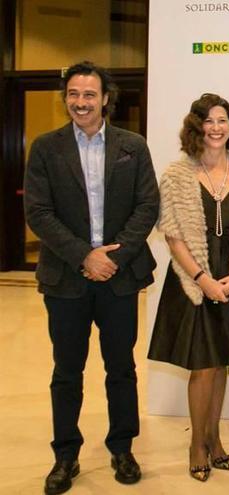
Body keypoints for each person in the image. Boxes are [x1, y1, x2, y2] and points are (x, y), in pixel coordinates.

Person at [24, 60, 158, 495]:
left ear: (105, 98)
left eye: (89, 94)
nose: (80, 102)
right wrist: (85, 256)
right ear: (67, 99)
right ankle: (66, 456)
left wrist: (112, 258)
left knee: (121, 369)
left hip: (119, 277)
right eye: (73, 95)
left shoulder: (132, 146)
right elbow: (38, 213)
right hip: (66, 280)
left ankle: (122, 448)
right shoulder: (45, 148)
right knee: (67, 372)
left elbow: (146, 207)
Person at [147, 93, 229, 482]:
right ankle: (196, 444)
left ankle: (214, 438)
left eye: (223, 120)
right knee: (201, 367)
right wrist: (202, 279)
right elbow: (173, 236)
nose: (217, 128)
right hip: (191, 282)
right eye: (210, 120)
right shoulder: (176, 175)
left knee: (220, 365)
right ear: (197, 126)